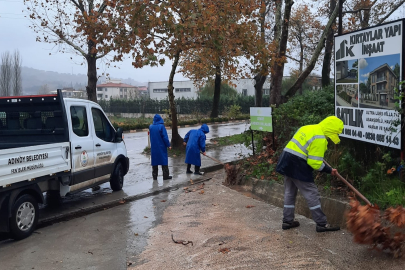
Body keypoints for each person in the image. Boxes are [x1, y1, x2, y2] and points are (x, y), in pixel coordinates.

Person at [276, 116, 343, 232]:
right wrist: (329, 170)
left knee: (289, 192)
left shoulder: (307, 128)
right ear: (331, 130)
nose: (330, 138)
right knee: (312, 193)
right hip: (298, 164)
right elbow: (315, 163)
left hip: (286, 159)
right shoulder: (320, 138)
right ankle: (322, 223)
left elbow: (303, 149)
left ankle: (287, 221)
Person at [149, 114, 172, 180]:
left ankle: (154, 176)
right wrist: (168, 145)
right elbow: (165, 137)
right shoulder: (161, 127)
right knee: (164, 161)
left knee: (154, 163)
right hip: (161, 147)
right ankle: (165, 176)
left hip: (154, 148)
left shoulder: (151, 127)